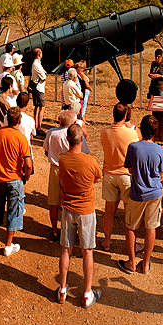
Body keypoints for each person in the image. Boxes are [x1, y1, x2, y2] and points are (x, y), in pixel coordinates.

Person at [55, 123, 102, 308]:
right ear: (81, 140)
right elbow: (97, 178)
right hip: (86, 211)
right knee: (87, 251)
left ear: (67, 140)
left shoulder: (62, 159)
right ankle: (87, 293)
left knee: (66, 249)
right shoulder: (90, 161)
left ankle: (62, 290)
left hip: (68, 209)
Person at [119, 115, 163, 275]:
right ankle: (145, 264)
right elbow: (160, 173)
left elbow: (129, 169)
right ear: (155, 131)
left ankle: (131, 262)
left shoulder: (133, 147)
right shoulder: (159, 150)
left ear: (141, 128)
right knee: (151, 227)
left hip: (138, 193)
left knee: (131, 226)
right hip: (155, 192)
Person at [0, 107, 32, 257]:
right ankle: (8, 245)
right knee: (13, 212)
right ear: (19, 121)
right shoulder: (21, 139)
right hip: (15, 180)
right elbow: (28, 164)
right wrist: (26, 176)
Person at [98, 103, 140, 251]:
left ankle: (107, 241)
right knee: (129, 211)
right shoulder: (132, 133)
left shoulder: (104, 132)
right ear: (125, 116)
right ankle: (132, 244)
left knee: (109, 211)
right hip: (126, 176)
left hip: (109, 175)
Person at [42, 109, 73, 240]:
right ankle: (70, 231)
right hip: (69, 169)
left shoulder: (51, 132)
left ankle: (54, 230)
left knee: (53, 202)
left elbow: (46, 151)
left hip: (55, 168)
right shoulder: (72, 134)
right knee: (69, 201)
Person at [28, 48, 47, 135]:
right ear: (39, 54)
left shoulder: (36, 63)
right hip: (39, 88)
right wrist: (44, 74)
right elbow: (44, 77)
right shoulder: (37, 64)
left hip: (37, 87)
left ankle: (36, 126)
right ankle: (38, 127)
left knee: (37, 107)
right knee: (42, 107)